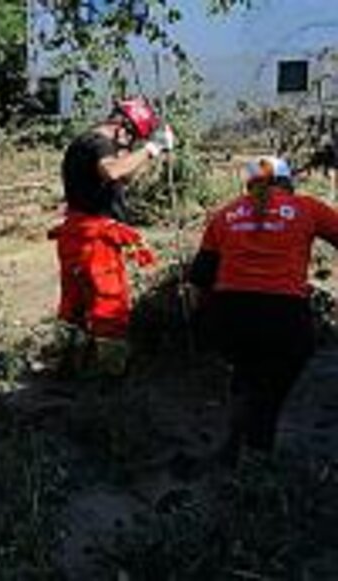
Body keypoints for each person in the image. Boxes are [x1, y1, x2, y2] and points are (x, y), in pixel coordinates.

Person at [189, 156, 338, 462]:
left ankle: (236, 438)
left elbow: (201, 278)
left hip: (228, 316)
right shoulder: (307, 208)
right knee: (273, 387)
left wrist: (203, 322)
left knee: (247, 371)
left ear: (250, 183)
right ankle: (258, 452)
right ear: (286, 182)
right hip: (284, 317)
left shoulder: (225, 214)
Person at [50, 97, 171, 376]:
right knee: (109, 303)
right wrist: (152, 148)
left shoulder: (83, 144)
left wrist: (150, 153)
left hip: (75, 234)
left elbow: (123, 176)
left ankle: (65, 365)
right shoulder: (99, 143)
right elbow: (114, 169)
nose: (125, 149)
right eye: (130, 141)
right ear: (121, 127)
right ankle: (109, 374)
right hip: (95, 239)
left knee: (74, 304)